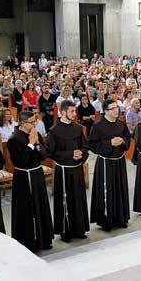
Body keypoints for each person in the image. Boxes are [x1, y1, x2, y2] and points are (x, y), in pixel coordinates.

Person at [7, 111, 54, 251]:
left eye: (35, 121)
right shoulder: (13, 139)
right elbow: (22, 160)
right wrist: (32, 144)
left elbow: (44, 155)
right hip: (23, 177)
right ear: (22, 122)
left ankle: (43, 239)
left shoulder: (35, 134)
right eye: (32, 122)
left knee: (40, 205)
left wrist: (38, 144)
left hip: (36, 174)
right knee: (26, 209)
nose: (35, 125)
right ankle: (28, 241)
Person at [47, 100, 90, 243]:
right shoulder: (54, 130)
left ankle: (79, 229)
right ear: (63, 112)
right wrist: (70, 154)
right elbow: (51, 153)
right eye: (72, 111)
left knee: (78, 198)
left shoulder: (78, 128)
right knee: (64, 200)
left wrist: (81, 154)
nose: (75, 113)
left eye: (75, 111)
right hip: (63, 171)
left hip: (77, 169)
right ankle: (65, 231)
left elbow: (85, 146)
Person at [89, 99, 131, 231]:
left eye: (117, 108)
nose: (116, 110)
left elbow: (128, 138)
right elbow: (93, 145)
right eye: (113, 109)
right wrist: (110, 143)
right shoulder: (98, 126)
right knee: (107, 191)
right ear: (105, 111)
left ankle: (121, 218)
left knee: (120, 188)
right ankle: (106, 221)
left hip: (119, 161)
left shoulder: (121, 124)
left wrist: (122, 141)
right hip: (105, 163)